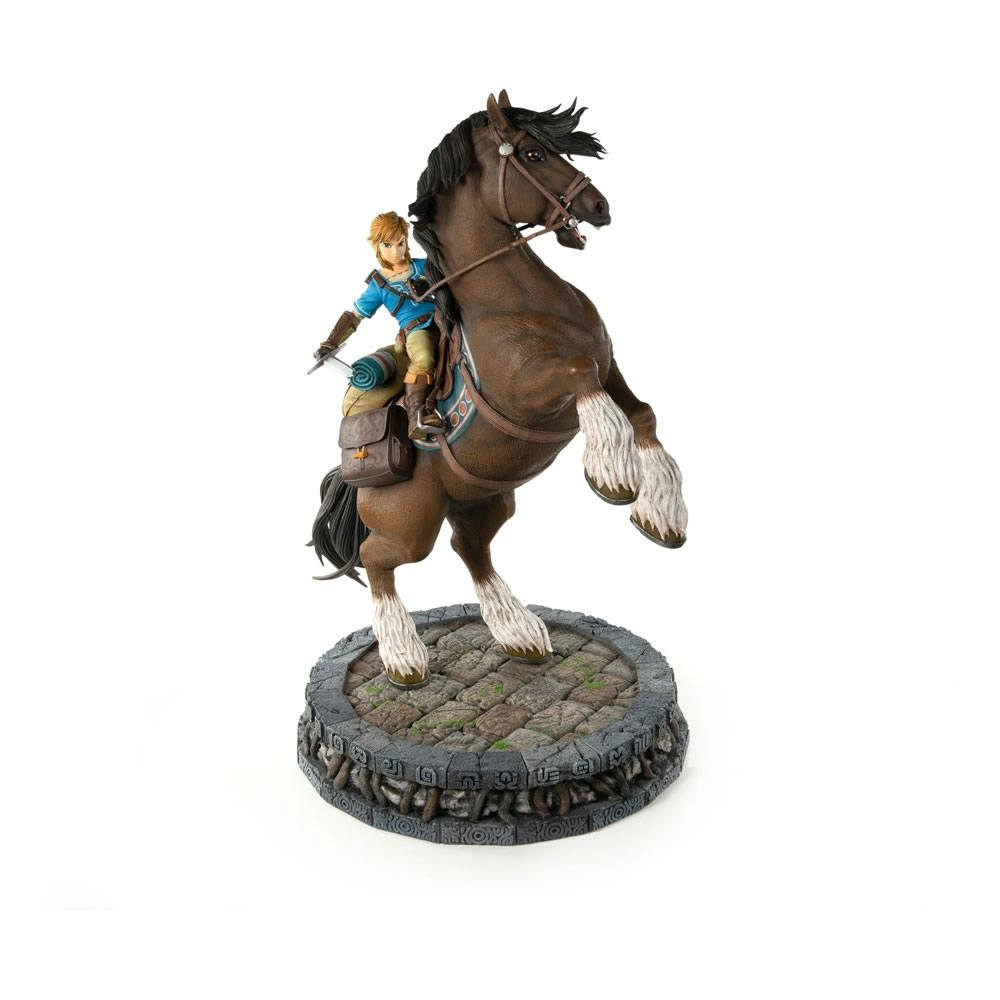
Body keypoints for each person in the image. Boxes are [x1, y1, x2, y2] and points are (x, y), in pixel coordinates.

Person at [315, 211, 442, 440]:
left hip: (444, 316)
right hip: (417, 328)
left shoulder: (423, 265)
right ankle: (417, 415)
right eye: (388, 245)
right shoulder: (378, 286)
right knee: (423, 357)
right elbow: (355, 316)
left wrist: (430, 283)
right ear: (376, 245)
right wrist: (330, 342)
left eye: (400, 243)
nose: (396, 251)